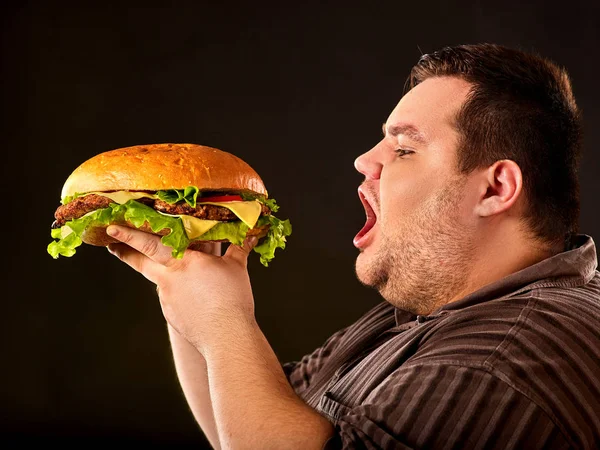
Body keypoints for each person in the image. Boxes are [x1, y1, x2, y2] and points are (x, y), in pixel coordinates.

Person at [105, 43, 600, 449]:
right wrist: (182, 275)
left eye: (404, 149)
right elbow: (246, 429)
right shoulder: (432, 308)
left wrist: (223, 324)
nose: (365, 160)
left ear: (495, 189)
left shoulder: (505, 356)